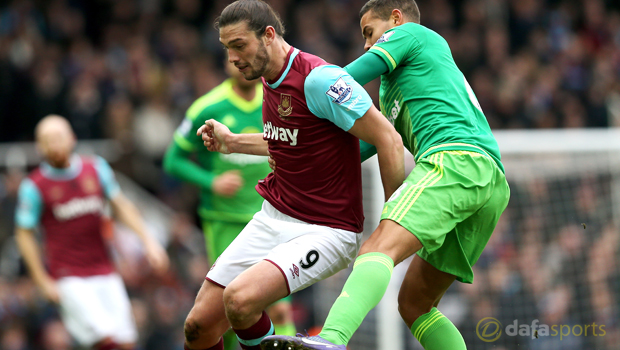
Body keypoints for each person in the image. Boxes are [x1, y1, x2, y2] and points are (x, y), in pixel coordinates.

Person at [261, 1, 510, 349]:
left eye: (369, 32)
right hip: (487, 180)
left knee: (376, 248)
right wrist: (283, 149)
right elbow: (351, 151)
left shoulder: (411, 33)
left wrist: (303, 100)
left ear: (395, 18)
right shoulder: (396, 88)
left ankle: (332, 338)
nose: (366, 44)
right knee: (415, 305)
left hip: (454, 162)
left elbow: (343, 79)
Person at [183, 1, 405, 350]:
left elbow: (388, 138)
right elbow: (289, 140)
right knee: (198, 327)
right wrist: (232, 143)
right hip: (273, 216)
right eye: (227, 49)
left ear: (268, 35)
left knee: (240, 302)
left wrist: (395, 219)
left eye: (239, 45)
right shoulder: (269, 79)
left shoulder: (320, 79)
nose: (232, 58)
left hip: (327, 229)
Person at [163, 58, 297, 350]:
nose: (239, 63)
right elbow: (172, 160)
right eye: (231, 55)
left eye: (244, 53)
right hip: (224, 220)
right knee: (229, 309)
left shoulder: (279, 102)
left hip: (274, 218)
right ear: (224, 64)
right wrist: (212, 181)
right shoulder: (207, 107)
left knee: (279, 307)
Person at [15, 115, 170, 350]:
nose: (53, 144)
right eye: (46, 140)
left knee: (126, 341)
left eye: (58, 137)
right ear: (39, 147)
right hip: (68, 277)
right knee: (104, 340)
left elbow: (121, 207)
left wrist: (149, 242)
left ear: (72, 138)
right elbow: (24, 234)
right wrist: (41, 279)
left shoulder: (95, 169)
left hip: (105, 270)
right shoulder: (34, 186)